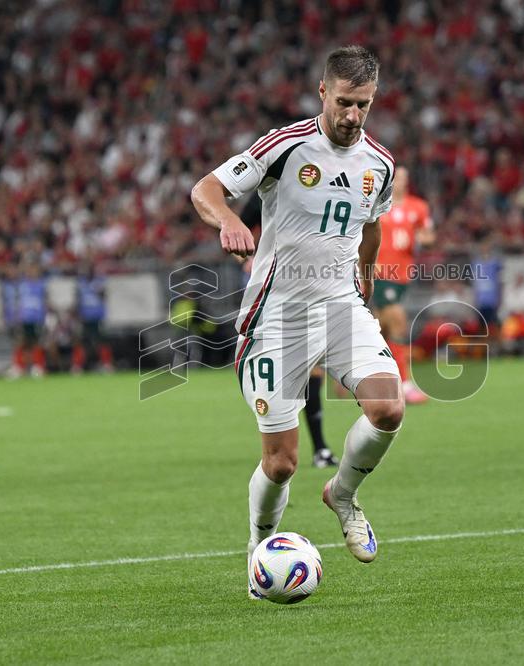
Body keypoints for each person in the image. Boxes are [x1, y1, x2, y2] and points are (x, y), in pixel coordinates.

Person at [191, 46, 404, 598]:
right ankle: (259, 550)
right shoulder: (284, 147)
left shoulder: (380, 164)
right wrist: (230, 220)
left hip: (340, 306)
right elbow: (205, 189)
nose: (351, 115)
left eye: (362, 105)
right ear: (322, 93)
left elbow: (373, 224)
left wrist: (366, 275)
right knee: (281, 463)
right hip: (276, 315)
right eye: (343, 102)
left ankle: (343, 495)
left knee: (388, 407)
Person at [241, 192, 339, 468]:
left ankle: (317, 447)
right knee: (293, 373)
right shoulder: (267, 193)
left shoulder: (324, 188)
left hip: (315, 287)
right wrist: (247, 257)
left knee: (311, 370)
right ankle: (291, 442)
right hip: (273, 292)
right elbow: (239, 228)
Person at [373, 166, 435, 404]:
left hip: (402, 276)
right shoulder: (376, 204)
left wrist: (424, 239)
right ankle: (405, 386)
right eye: (397, 177)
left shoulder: (418, 207)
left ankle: (350, 375)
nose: (400, 181)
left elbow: (429, 236)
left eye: (404, 178)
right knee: (398, 323)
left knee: (382, 331)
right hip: (378, 273)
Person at [72, 263, 115, 374]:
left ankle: (106, 364)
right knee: (82, 341)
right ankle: (77, 365)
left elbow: (105, 296)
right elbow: (77, 300)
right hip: (85, 317)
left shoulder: (99, 282)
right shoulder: (80, 284)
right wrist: (77, 314)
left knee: (102, 341)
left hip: (98, 316)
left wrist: (98, 290)